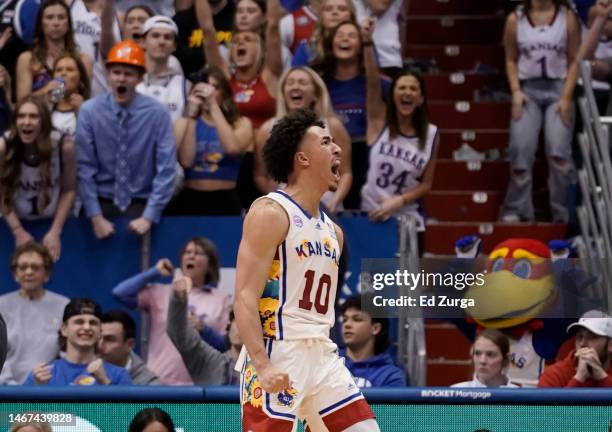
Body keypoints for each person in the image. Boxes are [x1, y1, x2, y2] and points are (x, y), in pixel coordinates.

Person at [233, 109, 379, 431]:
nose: (338, 148)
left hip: (323, 353)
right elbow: (244, 297)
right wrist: (262, 364)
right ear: (302, 158)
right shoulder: (271, 212)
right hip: (278, 351)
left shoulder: (334, 233)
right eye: (326, 142)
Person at [76, 40, 177, 239]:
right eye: (116, 73)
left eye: (128, 74)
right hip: (100, 203)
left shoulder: (157, 114)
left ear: (140, 78)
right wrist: (95, 216)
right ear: (108, 75)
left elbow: (167, 168)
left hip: (142, 203)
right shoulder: (90, 111)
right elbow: (84, 167)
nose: (121, 79)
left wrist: (149, 216)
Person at [500, 0, 580, 223]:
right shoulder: (516, 19)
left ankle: (562, 214)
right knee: (520, 148)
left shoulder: (567, 18)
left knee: (559, 153)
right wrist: (515, 91)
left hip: (558, 89)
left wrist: (566, 97)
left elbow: (575, 60)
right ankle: (517, 209)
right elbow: (510, 59)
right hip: (528, 90)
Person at [113, 237, 232, 385]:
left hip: (200, 385)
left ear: (210, 264)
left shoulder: (221, 299)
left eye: (198, 253)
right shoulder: (161, 292)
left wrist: (203, 329)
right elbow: (120, 293)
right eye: (187, 252)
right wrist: (154, 272)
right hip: (158, 383)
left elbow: (226, 345)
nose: (191, 256)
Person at [311, 18, 390, 209]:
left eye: (352, 36)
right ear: (331, 43)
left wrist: (368, 41)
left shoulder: (376, 83)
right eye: (340, 35)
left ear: (361, 44)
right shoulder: (319, 83)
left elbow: (373, 83)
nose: (345, 39)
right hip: (328, 155)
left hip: (363, 154)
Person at [255, 66, 352, 213]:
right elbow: (260, 175)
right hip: (286, 209)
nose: (296, 87)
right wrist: (278, 198)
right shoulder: (267, 129)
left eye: (302, 82)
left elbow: (345, 172)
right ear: (282, 92)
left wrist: (334, 202)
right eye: (291, 82)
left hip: (327, 208)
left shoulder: (332, 126)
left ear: (315, 94)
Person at [360, 68, 438, 244]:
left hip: (407, 219)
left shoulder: (432, 134)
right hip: (371, 215)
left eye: (413, 88)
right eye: (401, 88)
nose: (407, 92)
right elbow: (372, 83)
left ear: (421, 98)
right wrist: (367, 43)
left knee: (406, 272)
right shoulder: (378, 122)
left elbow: (426, 184)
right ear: (392, 94)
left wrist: (397, 201)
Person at [166, 65, 253, 215]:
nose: (208, 93)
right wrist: (191, 116)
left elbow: (232, 149)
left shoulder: (241, 123)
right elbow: (186, 161)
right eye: (204, 88)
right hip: (192, 198)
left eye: (215, 88)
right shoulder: (184, 122)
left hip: (226, 198)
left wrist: (214, 107)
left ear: (224, 94)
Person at [0, 96, 76, 261]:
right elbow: (1, 192)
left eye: (33, 116)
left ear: (45, 122)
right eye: (21, 116)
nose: (26, 122)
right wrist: (17, 230)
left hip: (53, 221)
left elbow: (69, 189)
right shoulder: (4, 146)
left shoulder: (64, 145)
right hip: (15, 221)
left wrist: (56, 230)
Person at [0, 242, 69, 384]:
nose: (29, 272)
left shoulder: (63, 305)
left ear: (47, 273)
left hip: (49, 390)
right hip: (6, 391)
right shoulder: (1, 305)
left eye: (35, 267)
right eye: (23, 267)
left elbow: (68, 353)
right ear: (15, 274)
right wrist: (11, 388)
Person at [23, 297, 132, 385]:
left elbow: (128, 413)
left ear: (100, 331)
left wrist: (104, 382)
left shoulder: (118, 375)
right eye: (79, 322)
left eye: (93, 323)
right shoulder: (42, 374)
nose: (87, 327)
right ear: (64, 329)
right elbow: (19, 412)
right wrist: (38, 389)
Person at [167, 274, 241, 385]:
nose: (240, 327)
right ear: (229, 326)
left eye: (249, 323)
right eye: (236, 320)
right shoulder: (210, 362)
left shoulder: (271, 368)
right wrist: (178, 300)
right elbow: (180, 335)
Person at [15, 0, 93, 102]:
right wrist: (45, 91)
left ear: (68, 24)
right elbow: (21, 104)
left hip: (72, 115)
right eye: (49, 17)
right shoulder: (27, 59)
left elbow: (88, 102)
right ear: (41, 24)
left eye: (61, 17)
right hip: (38, 116)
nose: (56, 23)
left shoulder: (83, 60)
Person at [340, 295, 406, 388]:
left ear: (375, 328)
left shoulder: (391, 375)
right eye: (344, 319)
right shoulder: (329, 364)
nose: (347, 324)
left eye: (357, 319)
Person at [136, 15, 189, 123]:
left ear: (174, 46)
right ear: (142, 42)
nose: (161, 41)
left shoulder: (186, 87)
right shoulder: (129, 80)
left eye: (168, 37)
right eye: (155, 36)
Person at [538, 310, 612, 387]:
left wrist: (602, 377)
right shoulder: (554, 374)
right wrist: (579, 378)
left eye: (592, 337)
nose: (582, 343)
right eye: (580, 336)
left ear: (610, 345)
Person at [70, 0, 123, 96]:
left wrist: (107, 26)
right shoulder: (69, 5)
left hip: (106, 89)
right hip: (74, 90)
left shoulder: (119, 17)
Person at [99, 309, 161, 385]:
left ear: (129, 345)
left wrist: (104, 381)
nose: (100, 345)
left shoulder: (149, 385)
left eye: (109, 339)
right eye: (98, 338)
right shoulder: (85, 366)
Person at [452, 329, 519, 388]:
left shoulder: (519, 397)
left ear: (505, 360)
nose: (482, 361)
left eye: (490, 355)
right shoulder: (456, 393)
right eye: (477, 353)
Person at [51, 53, 92, 138]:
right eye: (58, 70)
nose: (63, 73)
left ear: (80, 78)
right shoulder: (46, 108)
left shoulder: (91, 110)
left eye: (69, 70)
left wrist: (83, 113)